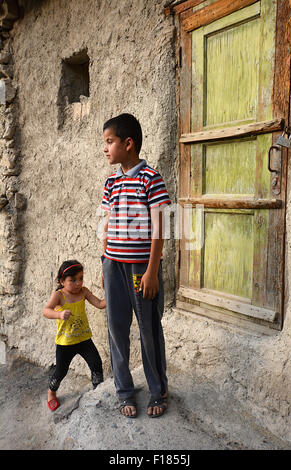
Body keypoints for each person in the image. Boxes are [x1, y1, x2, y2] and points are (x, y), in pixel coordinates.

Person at [100, 113, 171, 418]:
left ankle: (158, 390)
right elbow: (105, 223)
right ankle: (124, 390)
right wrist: (105, 263)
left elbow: (160, 226)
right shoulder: (111, 182)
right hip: (113, 267)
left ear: (128, 144)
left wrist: (153, 271)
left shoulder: (150, 179)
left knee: (148, 330)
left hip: (141, 269)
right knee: (116, 330)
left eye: (109, 142)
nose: (105, 149)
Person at [43, 260, 106, 411]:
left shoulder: (84, 291)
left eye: (80, 278)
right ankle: (51, 393)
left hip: (84, 339)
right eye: (72, 280)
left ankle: (98, 391)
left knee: (96, 364)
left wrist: (112, 294)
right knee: (61, 371)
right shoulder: (59, 295)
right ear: (62, 281)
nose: (78, 283)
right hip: (65, 343)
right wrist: (59, 314)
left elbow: (99, 304)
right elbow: (46, 311)